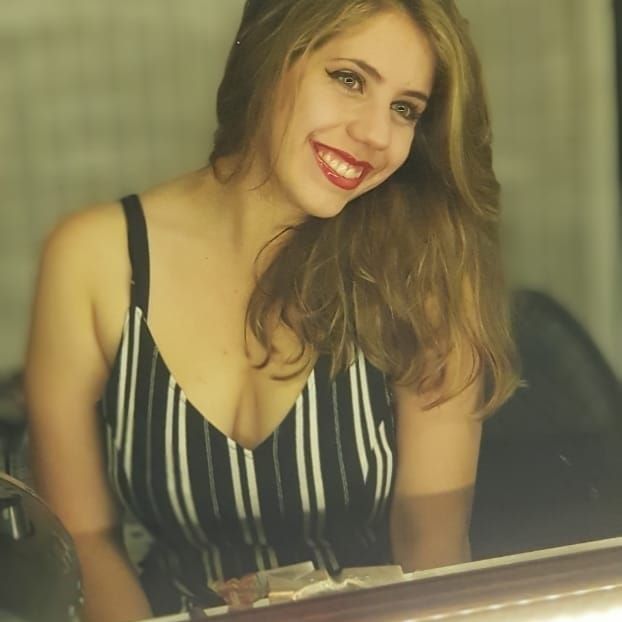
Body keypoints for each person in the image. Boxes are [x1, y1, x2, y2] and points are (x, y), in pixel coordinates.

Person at [24, 0, 519, 620]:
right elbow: (85, 542)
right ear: (268, 56)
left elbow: (431, 546)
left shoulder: (425, 270)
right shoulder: (93, 259)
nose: (375, 134)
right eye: (349, 79)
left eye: (405, 109)